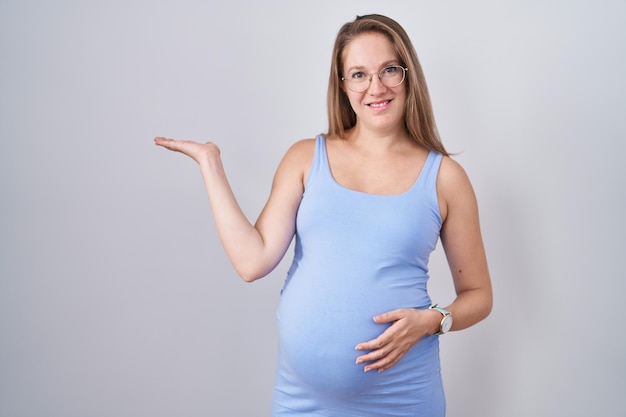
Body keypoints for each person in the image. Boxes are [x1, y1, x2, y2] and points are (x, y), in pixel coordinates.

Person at [155, 13, 492, 417]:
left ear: (408, 75)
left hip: (401, 398)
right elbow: (252, 261)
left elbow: (479, 296)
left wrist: (432, 320)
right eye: (359, 74)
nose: (376, 87)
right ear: (342, 84)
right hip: (302, 401)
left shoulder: (445, 178)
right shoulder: (304, 158)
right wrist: (210, 165)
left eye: (389, 70)